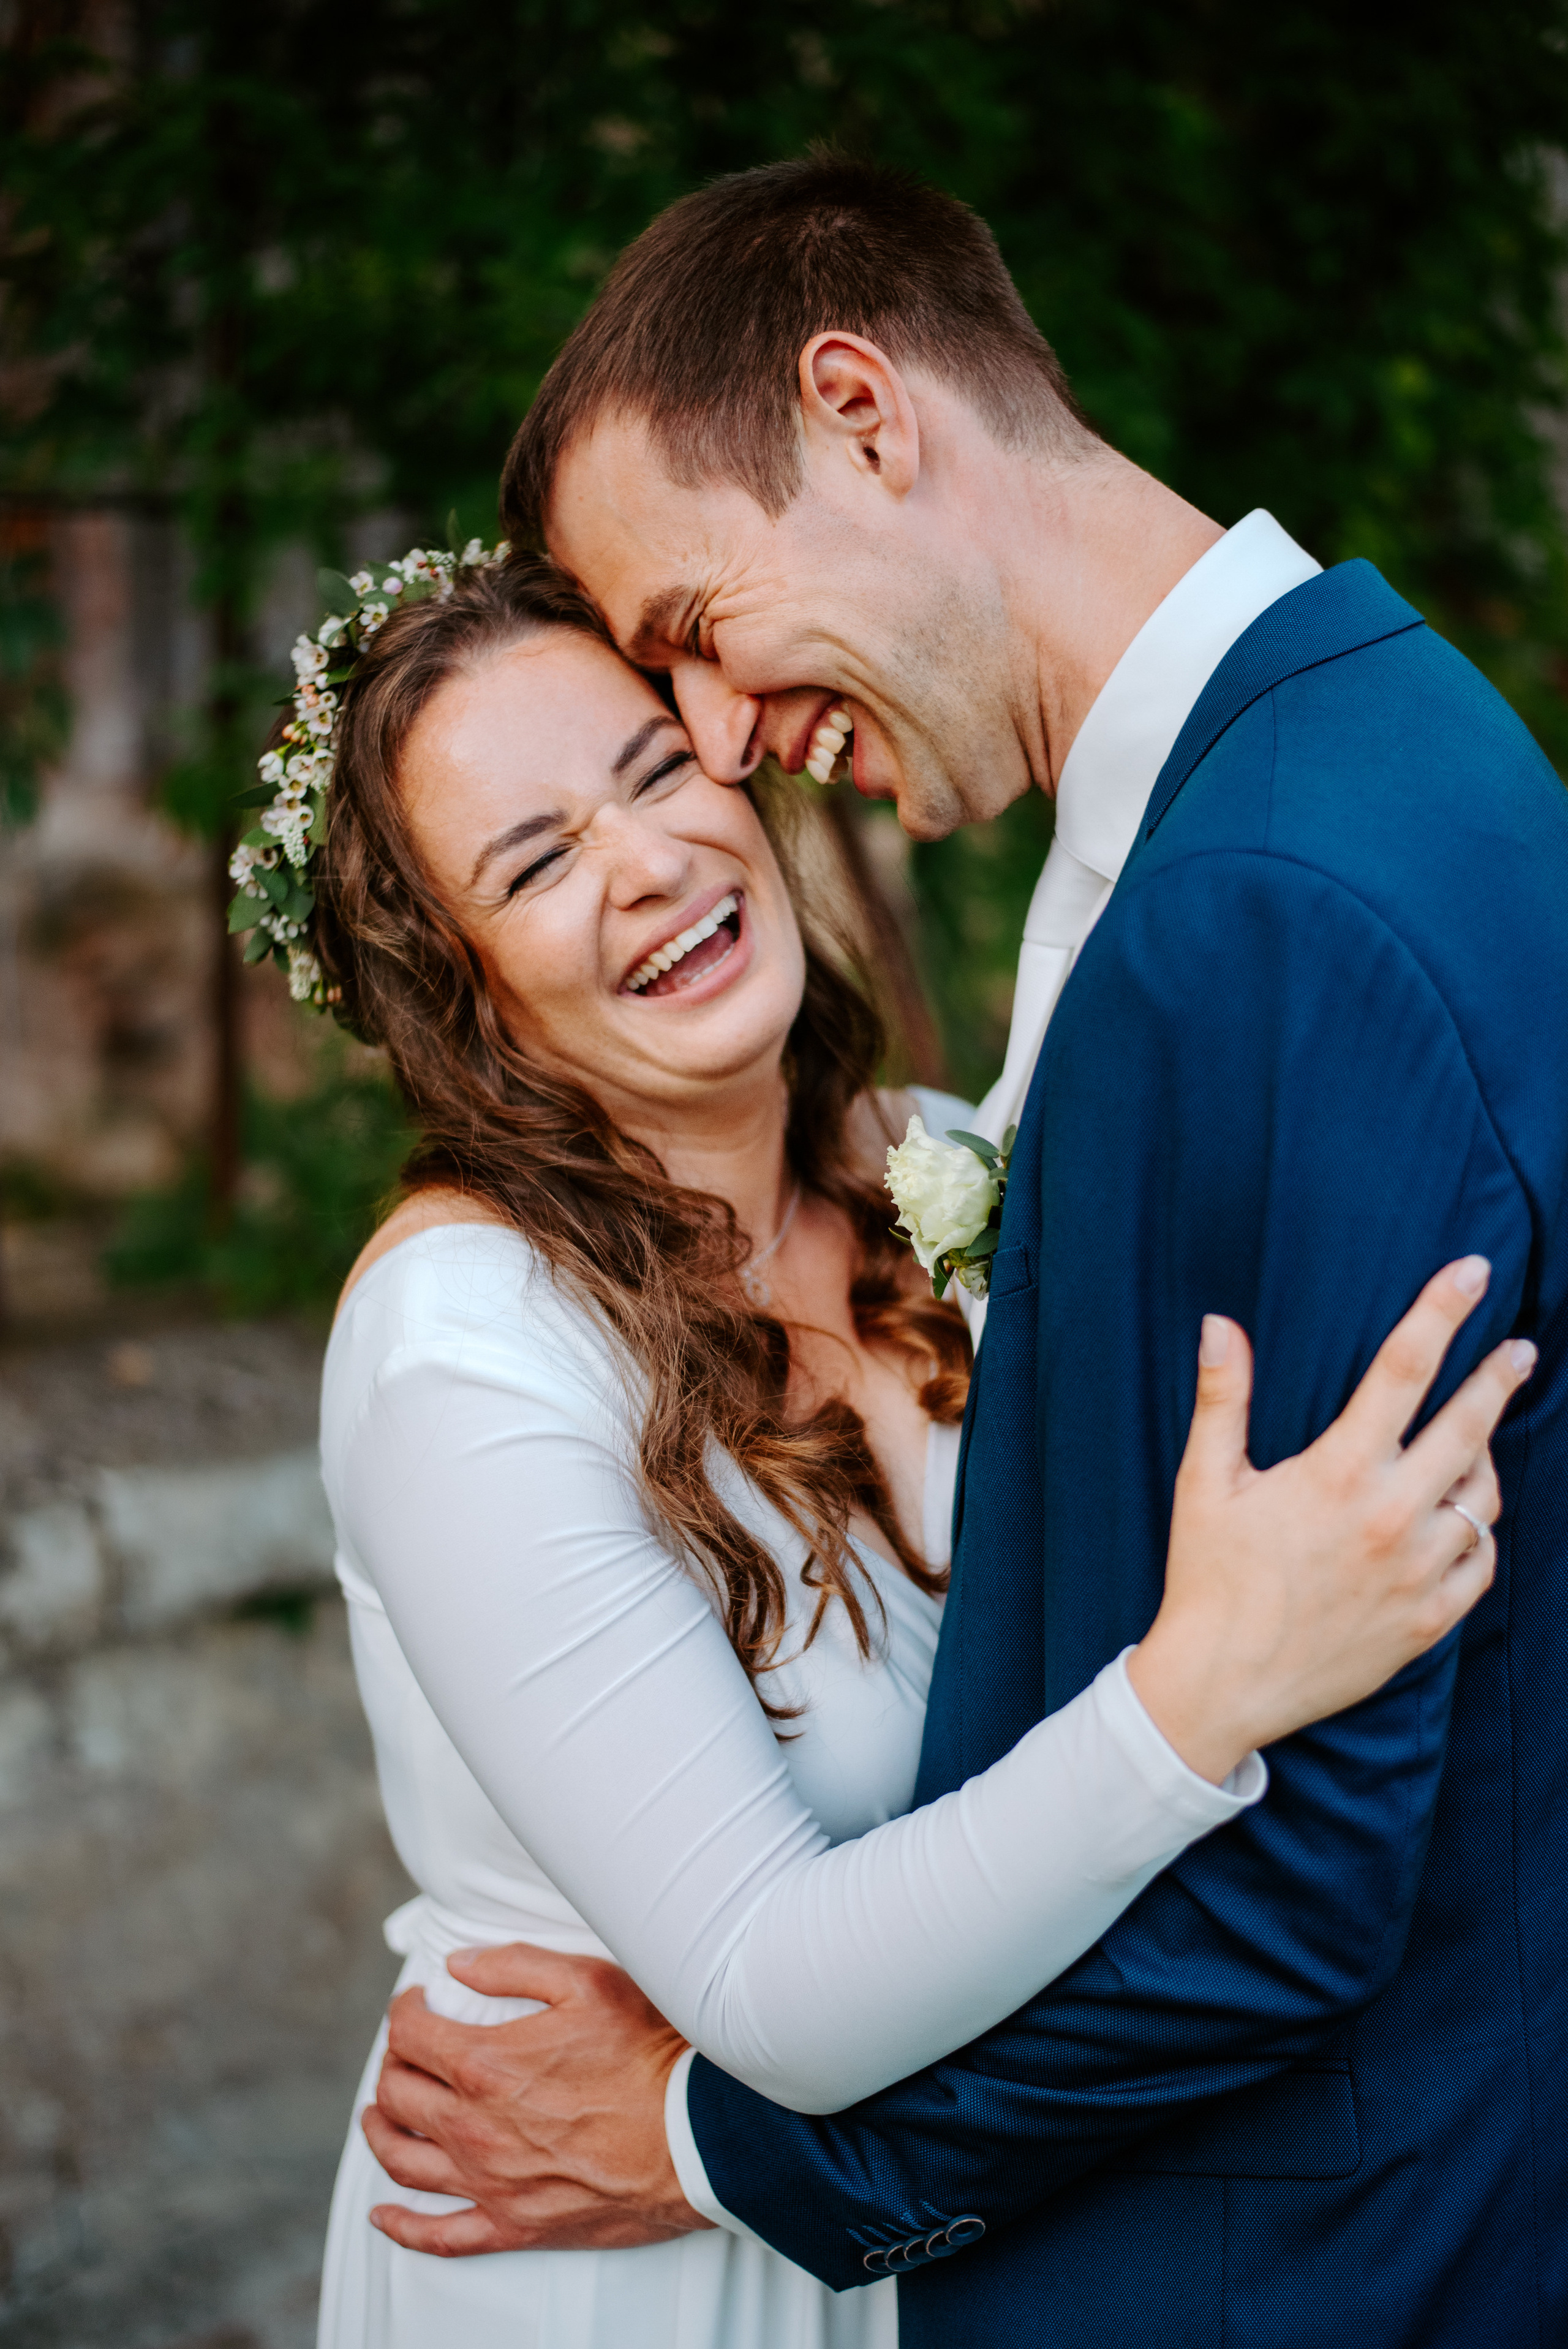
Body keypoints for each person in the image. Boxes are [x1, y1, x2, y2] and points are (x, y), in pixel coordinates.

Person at [360, 159, 1568, 2347]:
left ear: (862, 410)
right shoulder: (1278, 800)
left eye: (690, 653)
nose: (719, 761)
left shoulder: (1259, 903)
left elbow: (1310, 1855)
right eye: (542, 847)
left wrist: (708, 2146)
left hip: (1302, 2256)